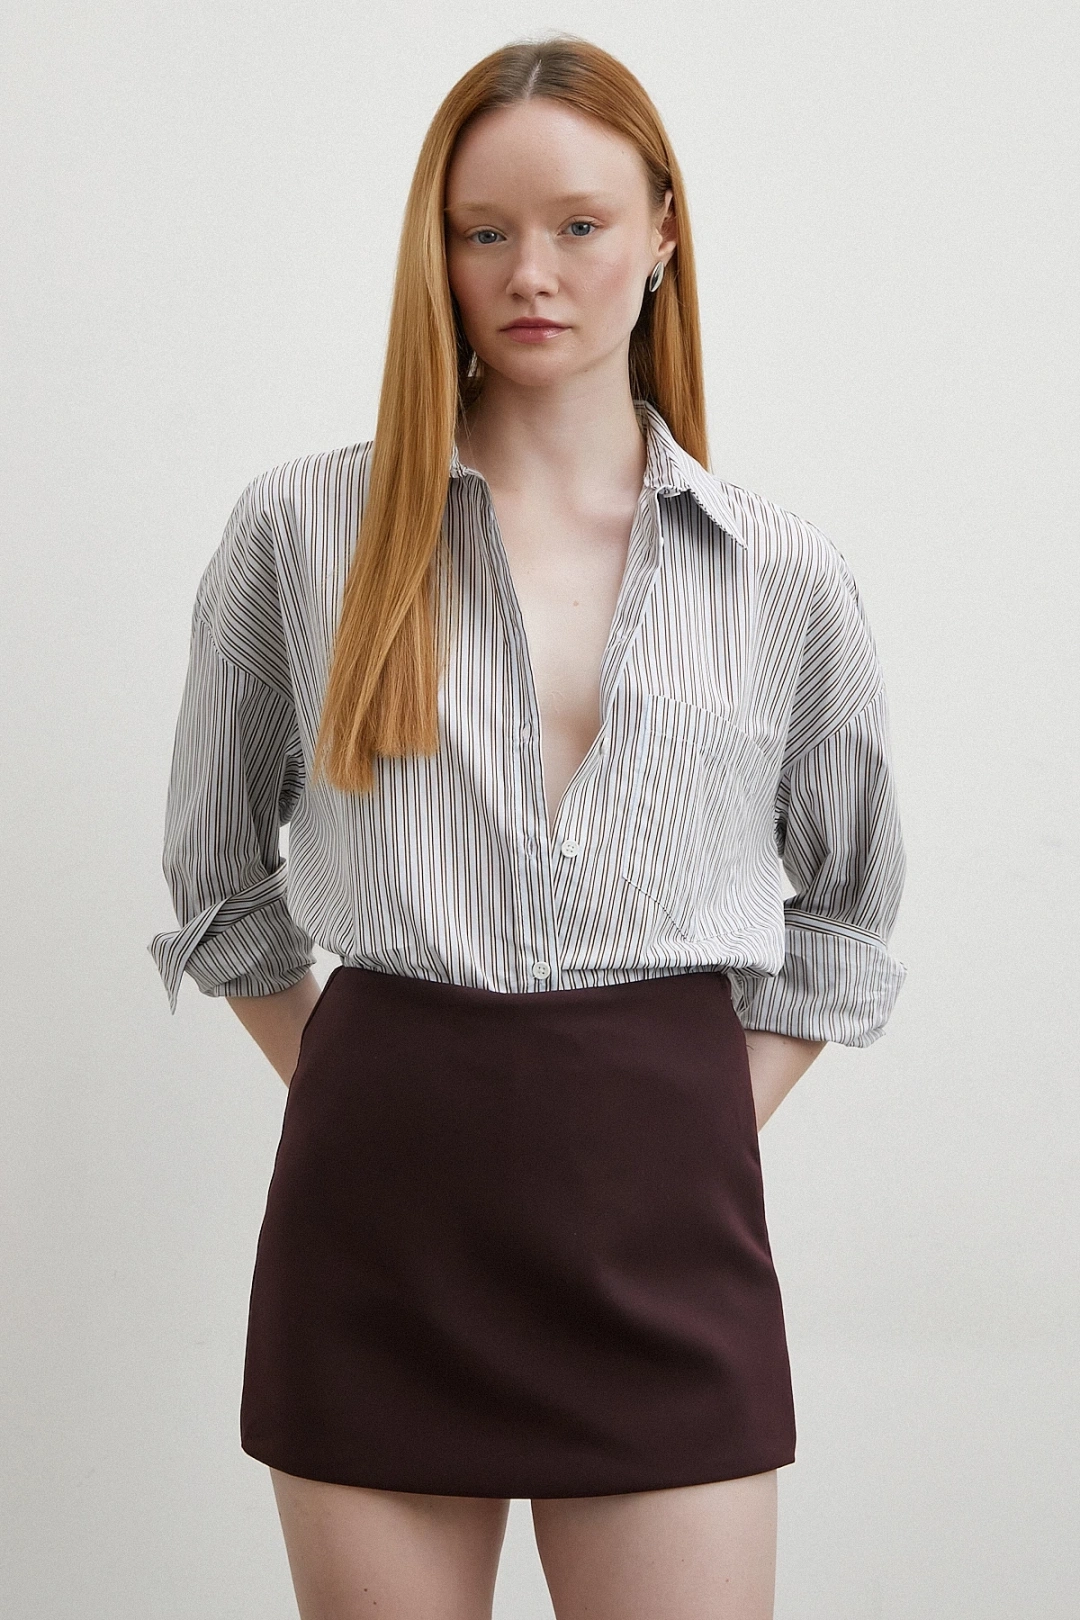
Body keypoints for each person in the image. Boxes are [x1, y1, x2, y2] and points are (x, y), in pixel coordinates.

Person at [148, 34, 906, 1620]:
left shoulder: (782, 574)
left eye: (578, 224)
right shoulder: (302, 531)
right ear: (434, 250)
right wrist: (370, 1079)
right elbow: (217, 874)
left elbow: (844, 913)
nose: (530, 273)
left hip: (665, 1234)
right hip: (375, 1221)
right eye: (482, 230)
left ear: (664, 234)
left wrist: (683, 1114)